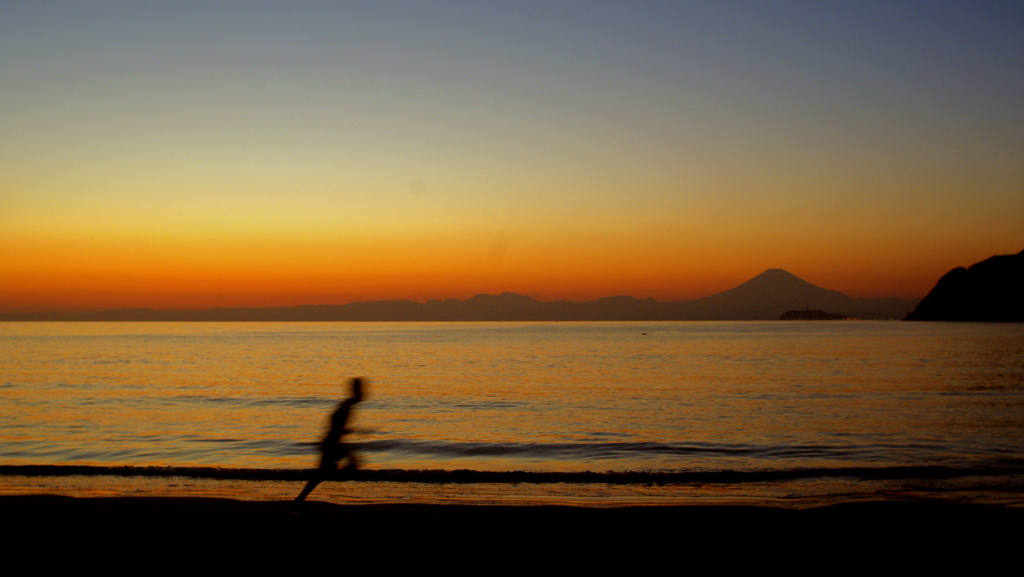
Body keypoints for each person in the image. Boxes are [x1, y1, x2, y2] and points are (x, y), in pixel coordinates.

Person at [294, 377, 364, 503]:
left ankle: (300, 498)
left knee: (321, 474)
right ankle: (332, 475)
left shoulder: (347, 405)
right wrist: (341, 431)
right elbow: (334, 421)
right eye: (361, 390)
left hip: (331, 442)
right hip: (331, 443)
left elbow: (333, 420)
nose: (364, 393)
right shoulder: (346, 406)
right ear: (355, 391)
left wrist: (345, 431)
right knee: (348, 465)